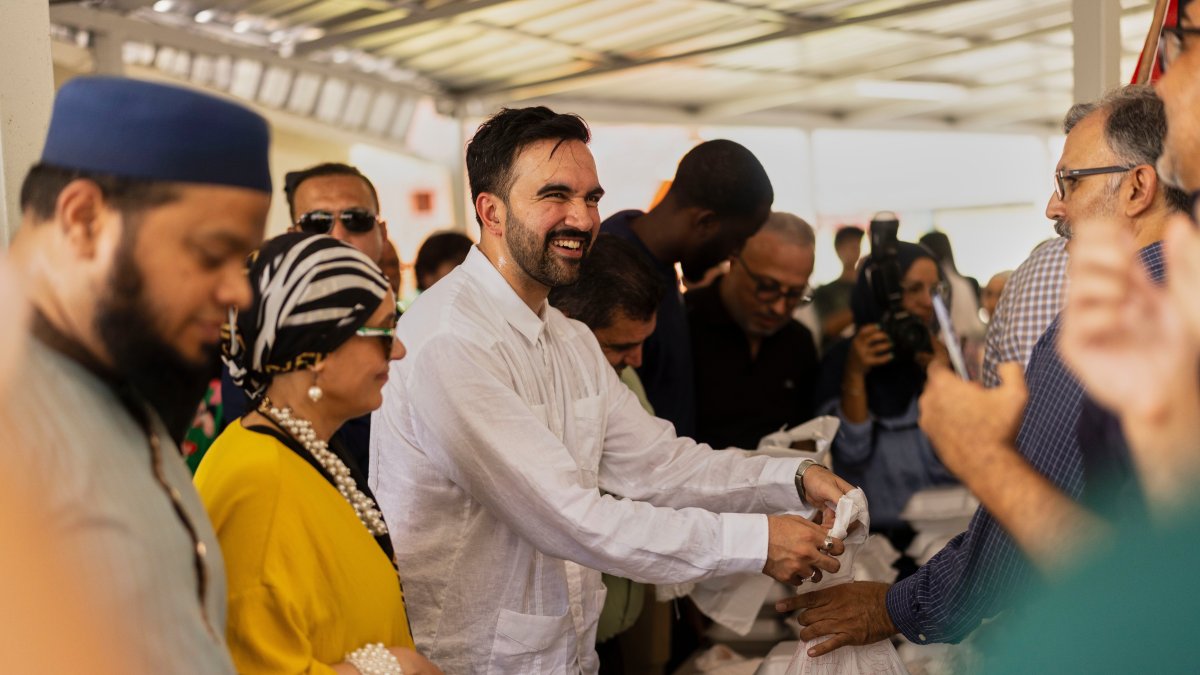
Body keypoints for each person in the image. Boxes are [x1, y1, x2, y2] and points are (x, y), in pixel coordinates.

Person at [370, 106, 852, 674]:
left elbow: (661, 465)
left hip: (569, 656)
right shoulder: (450, 340)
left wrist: (791, 478)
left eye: (592, 198)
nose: (582, 218)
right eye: (555, 196)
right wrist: (757, 541)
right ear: (490, 211)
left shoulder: (568, 337)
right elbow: (573, 517)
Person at [777, 83, 1190, 657]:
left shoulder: (1117, 325)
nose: (1054, 207)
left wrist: (895, 606)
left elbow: (1027, 519)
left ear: (1139, 187)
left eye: (1070, 182)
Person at [1, 75, 272, 673]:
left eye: (244, 261)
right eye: (210, 254)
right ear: (83, 219)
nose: (237, 292)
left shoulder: (120, 363)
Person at [195, 233, 439, 674]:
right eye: (384, 330)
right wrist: (392, 668)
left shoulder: (307, 450)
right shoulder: (258, 482)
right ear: (317, 350)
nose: (398, 350)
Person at [218, 162, 388, 475]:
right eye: (316, 222)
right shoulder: (262, 338)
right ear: (293, 236)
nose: (338, 235)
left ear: (382, 232)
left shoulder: (414, 331)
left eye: (357, 219)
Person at [549, 233, 669, 674]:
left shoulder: (622, 377)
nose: (636, 359)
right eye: (619, 346)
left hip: (611, 626)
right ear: (567, 327)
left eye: (642, 343)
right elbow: (582, 516)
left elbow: (662, 468)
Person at [601, 139, 774, 438]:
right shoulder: (608, 272)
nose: (735, 253)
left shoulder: (661, 264)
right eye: (738, 238)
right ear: (706, 222)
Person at [815, 240, 957, 548]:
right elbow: (851, 451)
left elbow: (959, 455)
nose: (927, 302)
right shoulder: (842, 358)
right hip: (875, 538)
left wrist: (942, 378)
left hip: (949, 529)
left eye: (935, 290)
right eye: (913, 289)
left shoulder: (938, 355)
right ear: (881, 294)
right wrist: (855, 374)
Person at [688, 211, 820, 450]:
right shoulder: (684, 323)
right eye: (767, 287)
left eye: (794, 294)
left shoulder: (798, 341)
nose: (780, 308)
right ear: (734, 258)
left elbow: (806, 433)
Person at [812, 225, 864, 349]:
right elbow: (828, 327)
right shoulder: (825, 291)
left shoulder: (866, 286)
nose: (854, 250)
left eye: (857, 245)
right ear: (838, 249)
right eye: (849, 246)